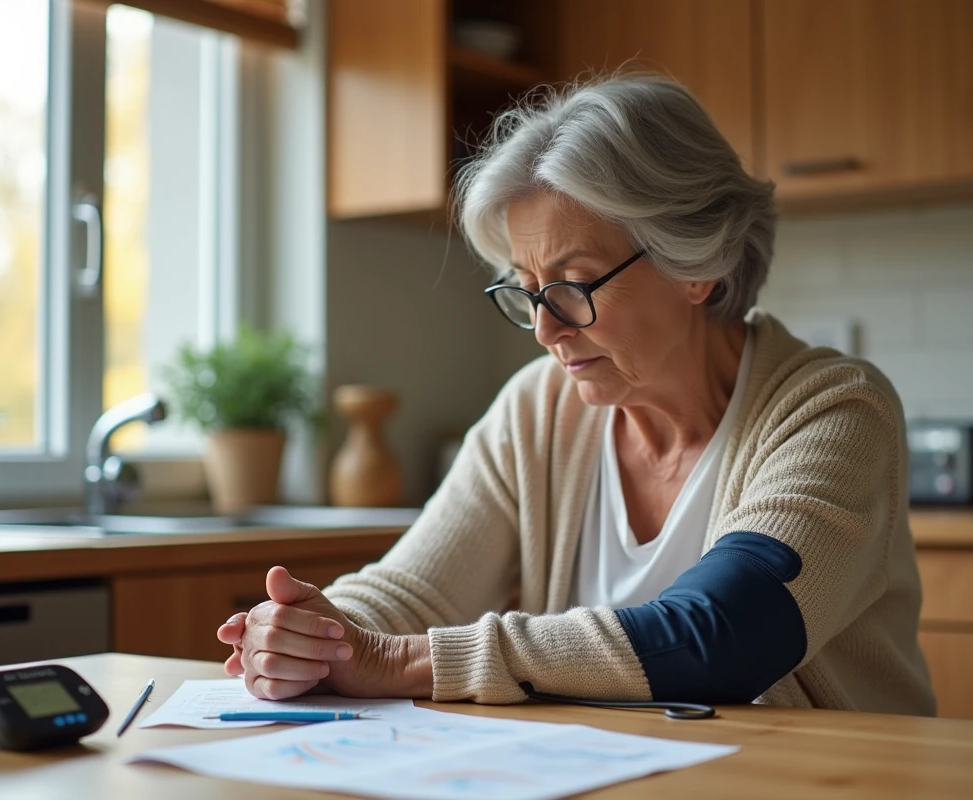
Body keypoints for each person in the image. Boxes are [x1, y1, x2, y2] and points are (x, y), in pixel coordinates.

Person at [217, 75, 936, 715]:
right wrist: (315, 634)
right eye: (526, 292)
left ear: (698, 263)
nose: (544, 330)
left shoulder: (836, 409)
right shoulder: (538, 410)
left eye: (573, 284)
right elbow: (414, 592)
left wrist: (396, 660)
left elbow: (725, 632)